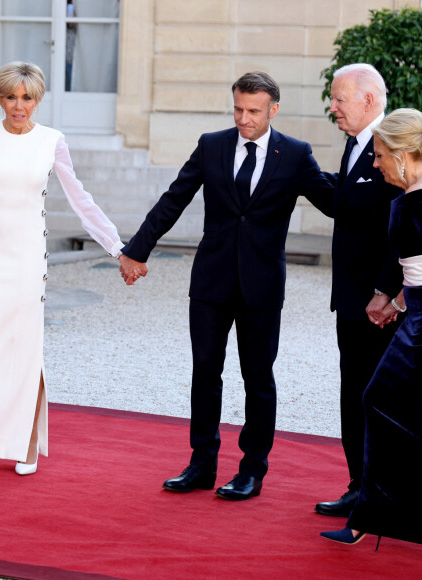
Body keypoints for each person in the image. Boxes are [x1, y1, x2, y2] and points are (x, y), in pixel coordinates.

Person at [119, 72, 333, 500]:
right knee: (205, 373)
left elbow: (334, 201)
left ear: (273, 109)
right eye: (237, 108)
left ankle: (252, 470)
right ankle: (202, 464)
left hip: (262, 286)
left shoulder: (294, 154)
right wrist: (136, 250)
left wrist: (389, 185)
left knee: (258, 378)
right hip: (212, 282)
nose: (243, 118)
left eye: (253, 111)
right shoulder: (212, 144)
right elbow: (173, 198)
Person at [0, 61, 124, 475]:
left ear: (38, 100)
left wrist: (118, 248)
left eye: (27, 98)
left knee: (24, 349)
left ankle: (25, 444)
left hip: (25, 259)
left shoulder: (52, 141)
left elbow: (81, 200)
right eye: (10, 97)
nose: (18, 106)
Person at [321, 108, 422, 546]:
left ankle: (370, 515)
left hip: (420, 327)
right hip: (412, 314)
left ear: (405, 154)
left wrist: (398, 303)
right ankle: (373, 514)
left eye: (381, 156)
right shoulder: (411, 196)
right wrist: (394, 302)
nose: (376, 164)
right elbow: (416, 270)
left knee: (377, 399)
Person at [315, 64, 404, 519]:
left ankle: (383, 493)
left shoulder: (394, 146)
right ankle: (361, 486)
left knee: (381, 397)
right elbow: (347, 207)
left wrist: (387, 291)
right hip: (351, 300)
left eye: (339, 98)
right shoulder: (354, 145)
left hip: (382, 307)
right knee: (354, 393)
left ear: (369, 99)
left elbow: (405, 226)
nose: (333, 107)